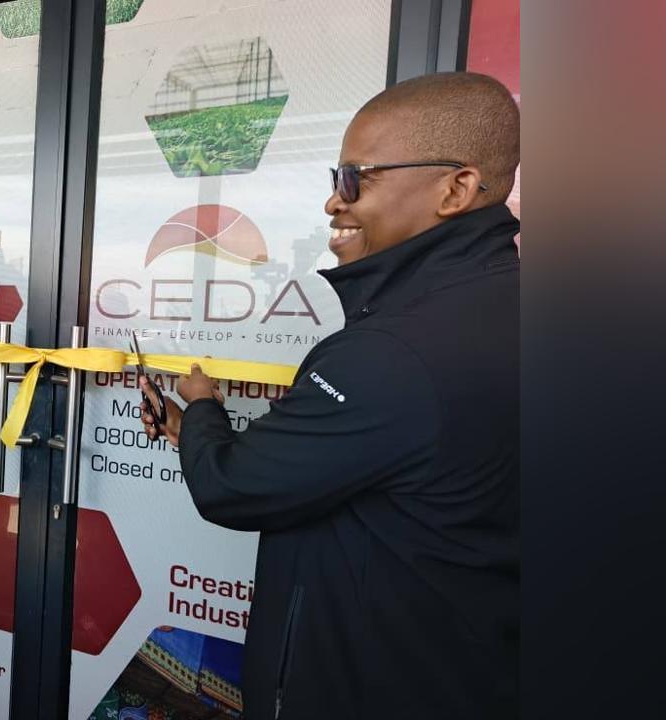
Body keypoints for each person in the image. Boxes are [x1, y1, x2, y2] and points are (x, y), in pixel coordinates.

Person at [140, 72, 520, 719]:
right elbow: (393, 465)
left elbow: (230, 486)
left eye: (355, 179)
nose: (332, 203)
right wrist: (189, 430)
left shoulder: (392, 351)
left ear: (455, 188)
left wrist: (201, 404)